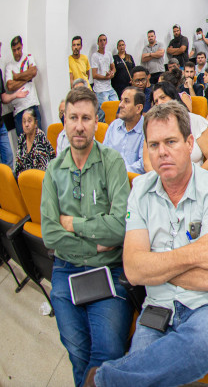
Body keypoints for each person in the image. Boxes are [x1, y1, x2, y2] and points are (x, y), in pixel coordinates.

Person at [84, 101, 208, 387]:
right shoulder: (140, 190)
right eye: (154, 144)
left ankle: (103, 381)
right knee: (146, 373)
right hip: (157, 307)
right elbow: (134, 271)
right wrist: (194, 253)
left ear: (189, 143)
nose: (162, 152)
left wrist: (156, 262)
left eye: (171, 141)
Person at [40, 86, 132, 387]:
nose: (79, 126)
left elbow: (120, 227)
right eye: (73, 117)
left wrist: (74, 223)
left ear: (97, 121)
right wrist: (96, 237)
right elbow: (51, 234)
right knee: (78, 353)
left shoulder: (113, 163)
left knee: (108, 352)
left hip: (109, 268)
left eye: (86, 118)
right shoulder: (53, 171)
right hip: (66, 270)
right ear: (64, 121)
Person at [144, 82, 208, 172]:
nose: (160, 103)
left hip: (195, 178)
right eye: (156, 101)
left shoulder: (195, 121)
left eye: (163, 97)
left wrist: (192, 180)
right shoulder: (152, 126)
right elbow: (147, 163)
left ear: (173, 98)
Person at [5, 35, 42, 136]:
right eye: (14, 50)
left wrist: (16, 77)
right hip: (19, 111)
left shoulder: (28, 57)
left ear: (22, 46)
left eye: (18, 49)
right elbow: (10, 86)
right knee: (24, 146)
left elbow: (33, 72)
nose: (16, 52)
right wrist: (27, 77)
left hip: (32, 104)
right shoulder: (9, 66)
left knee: (39, 139)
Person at [0, 41, 29, 167]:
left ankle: (7, 186)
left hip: (1, 125)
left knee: (9, 158)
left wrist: (15, 95)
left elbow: (3, 98)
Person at [103, 87, 145, 174]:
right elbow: (103, 153)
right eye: (121, 100)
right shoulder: (114, 125)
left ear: (138, 108)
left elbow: (143, 165)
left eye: (126, 101)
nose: (120, 105)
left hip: (133, 182)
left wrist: (118, 172)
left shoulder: (146, 129)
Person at [14, 107, 55, 176]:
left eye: (29, 121)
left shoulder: (40, 137)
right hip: (26, 178)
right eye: (24, 122)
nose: (26, 124)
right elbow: (18, 164)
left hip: (41, 178)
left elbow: (43, 168)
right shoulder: (21, 139)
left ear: (35, 123)